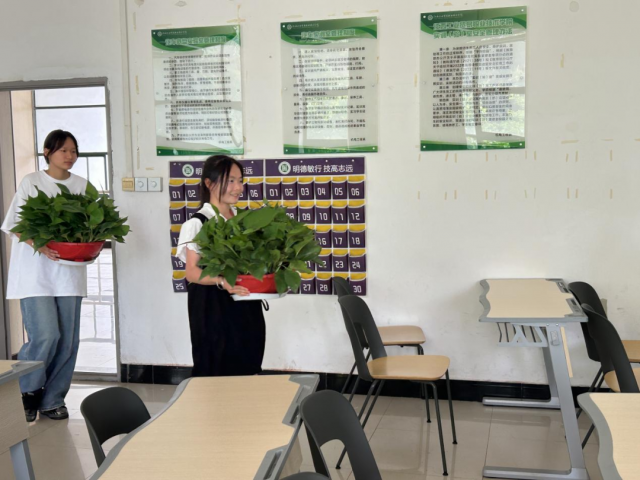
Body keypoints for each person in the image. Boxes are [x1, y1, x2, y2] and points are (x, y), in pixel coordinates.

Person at [1, 130, 89, 421]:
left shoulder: (82, 186)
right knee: (46, 335)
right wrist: (38, 244)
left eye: (73, 151)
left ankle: (53, 399)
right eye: (63, 150)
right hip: (35, 273)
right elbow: (14, 224)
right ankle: (27, 392)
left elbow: (90, 228)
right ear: (48, 152)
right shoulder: (32, 181)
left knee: (68, 341)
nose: (69, 156)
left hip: (70, 273)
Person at [177, 155, 266, 376]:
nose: (238, 188)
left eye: (240, 181)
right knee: (216, 367)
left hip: (245, 304)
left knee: (248, 363)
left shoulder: (244, 220)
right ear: (209, 183)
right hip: (212, 308)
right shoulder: (197, 224)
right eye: (230, 181)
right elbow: (192, 272)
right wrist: (222, 281)